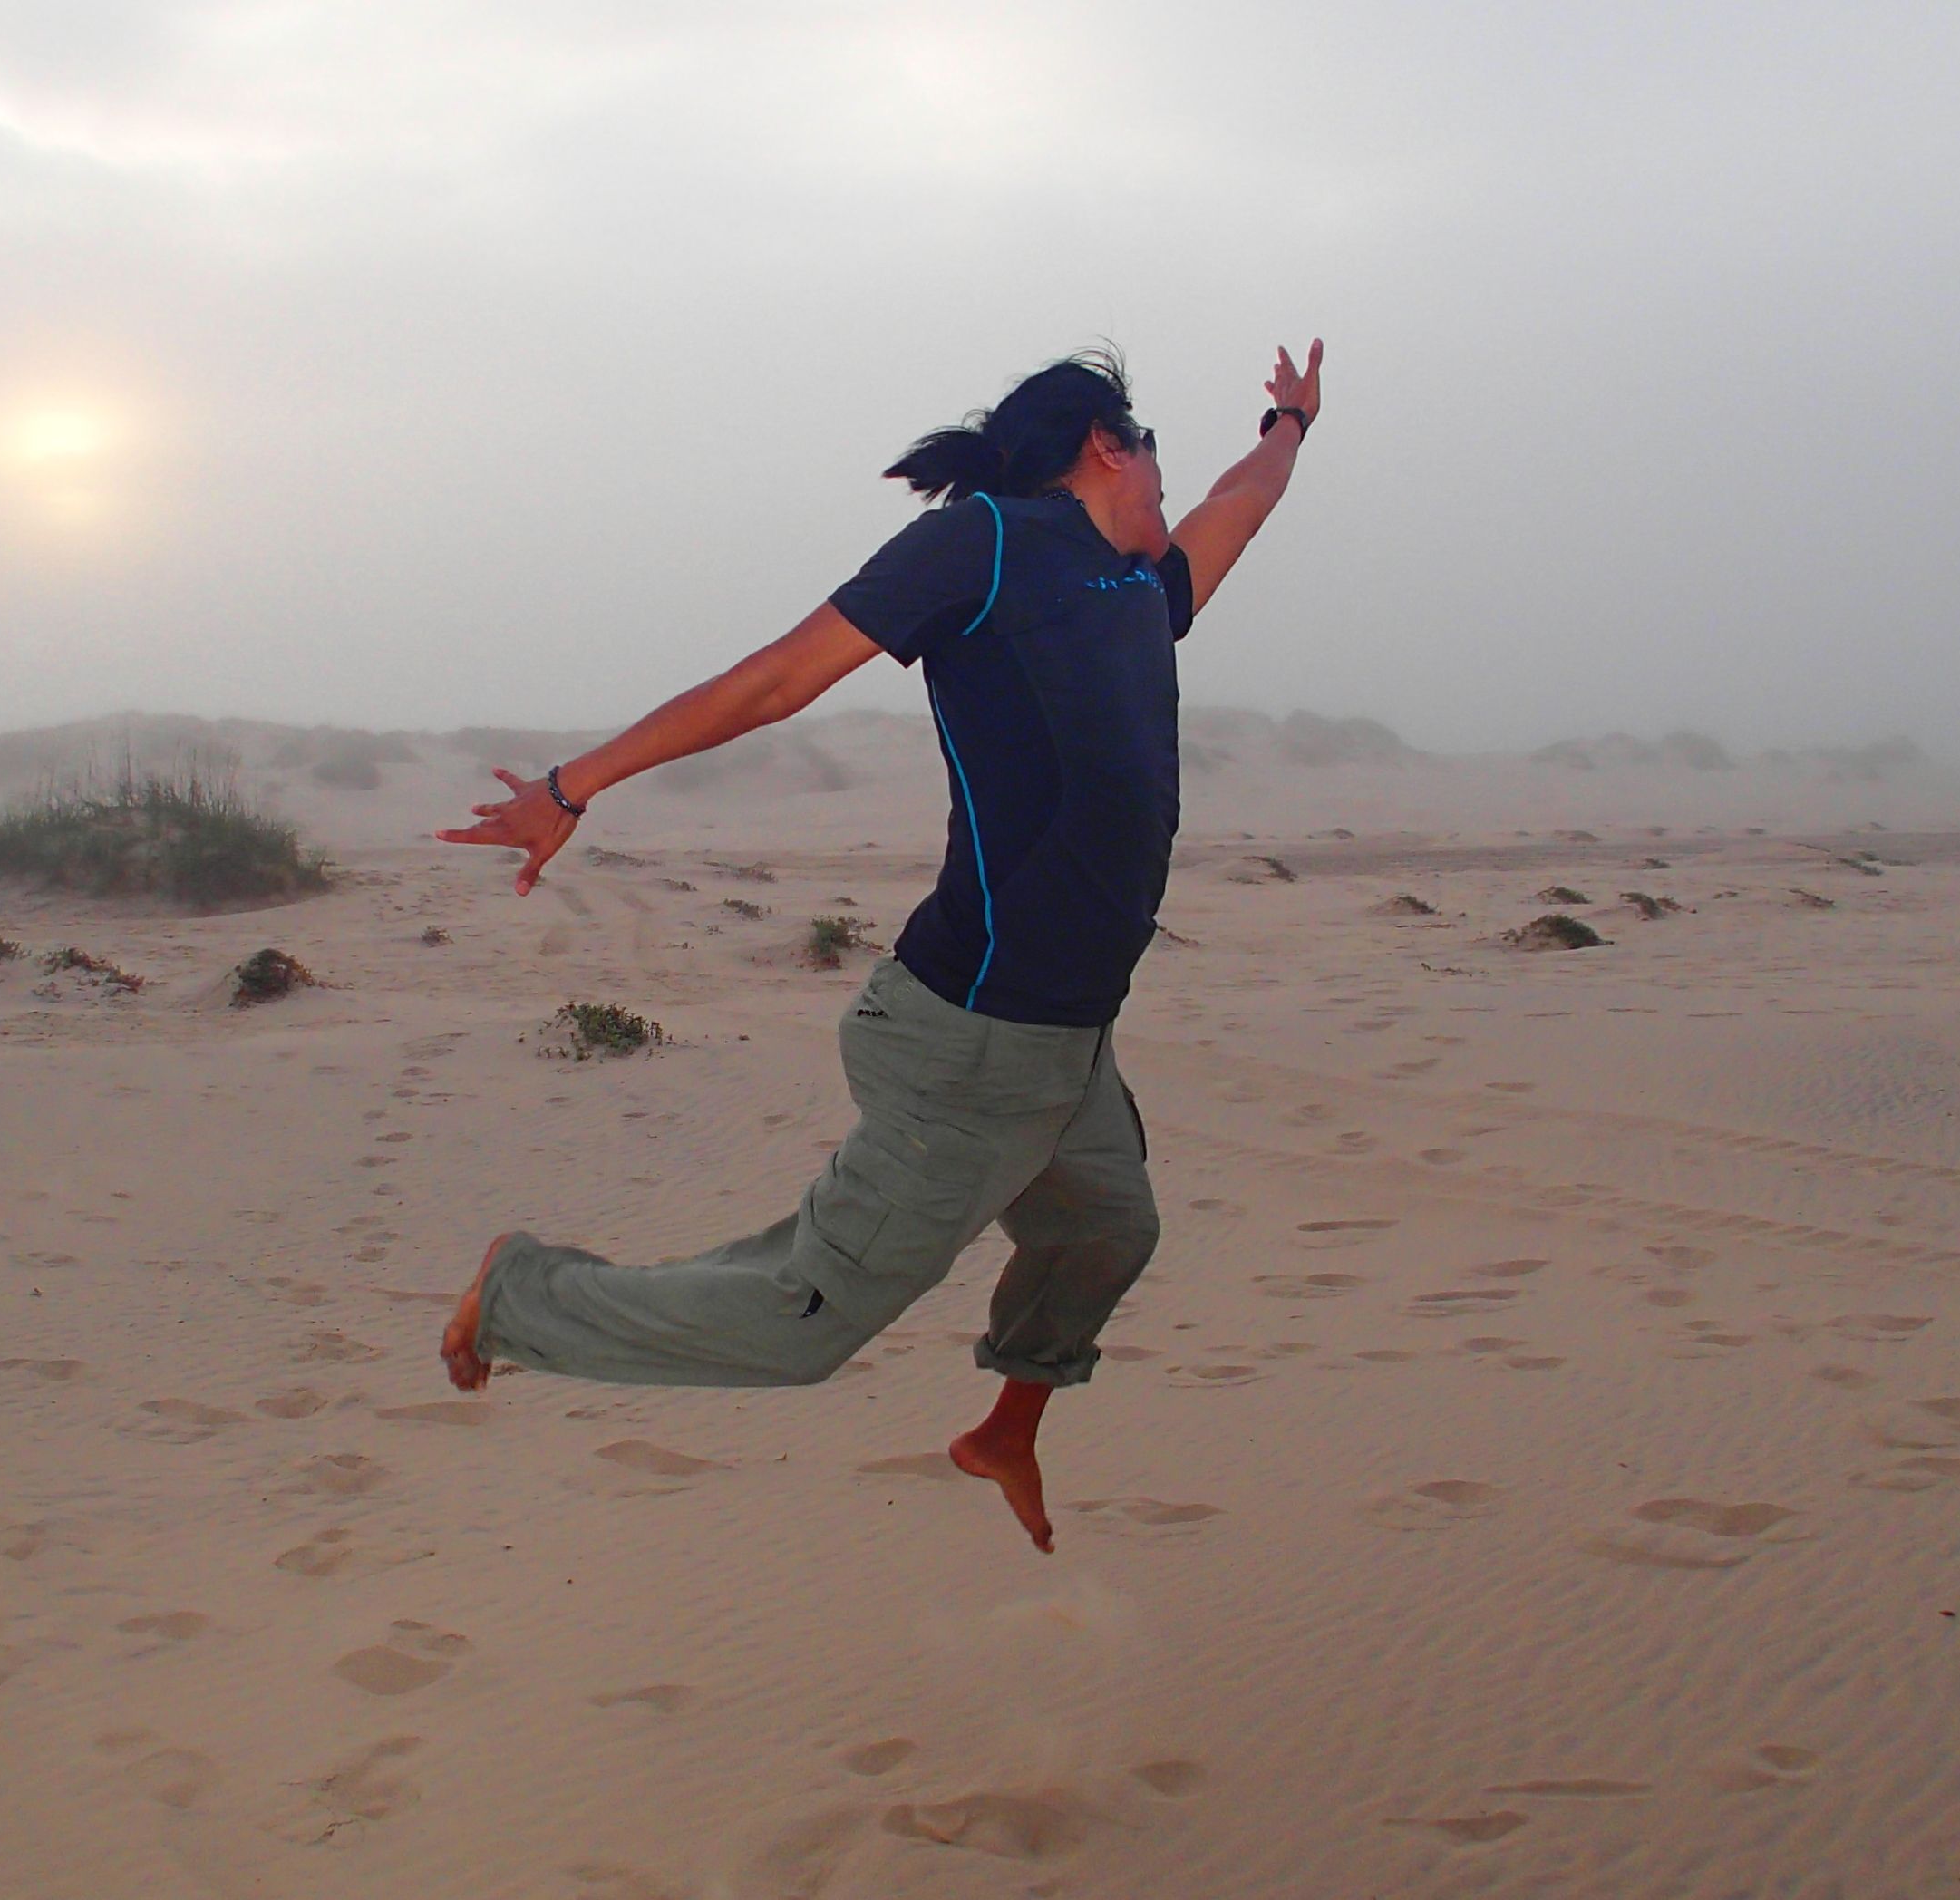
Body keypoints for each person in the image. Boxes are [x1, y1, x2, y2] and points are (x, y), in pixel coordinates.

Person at [435, 342, 1324, 1551]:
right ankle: (520, 1297)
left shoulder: (1140, 590)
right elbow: (777, 682)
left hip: (1068, 1048)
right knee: (805, 1322)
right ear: (1109, 445)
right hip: (969, 1040)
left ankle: (1006, 1429)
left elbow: (1243, 503)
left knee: (1107, 1232)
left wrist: (1287, 422)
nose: (1175, 501)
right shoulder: (988, 544)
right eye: (1156, 466)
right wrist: (572, 784)